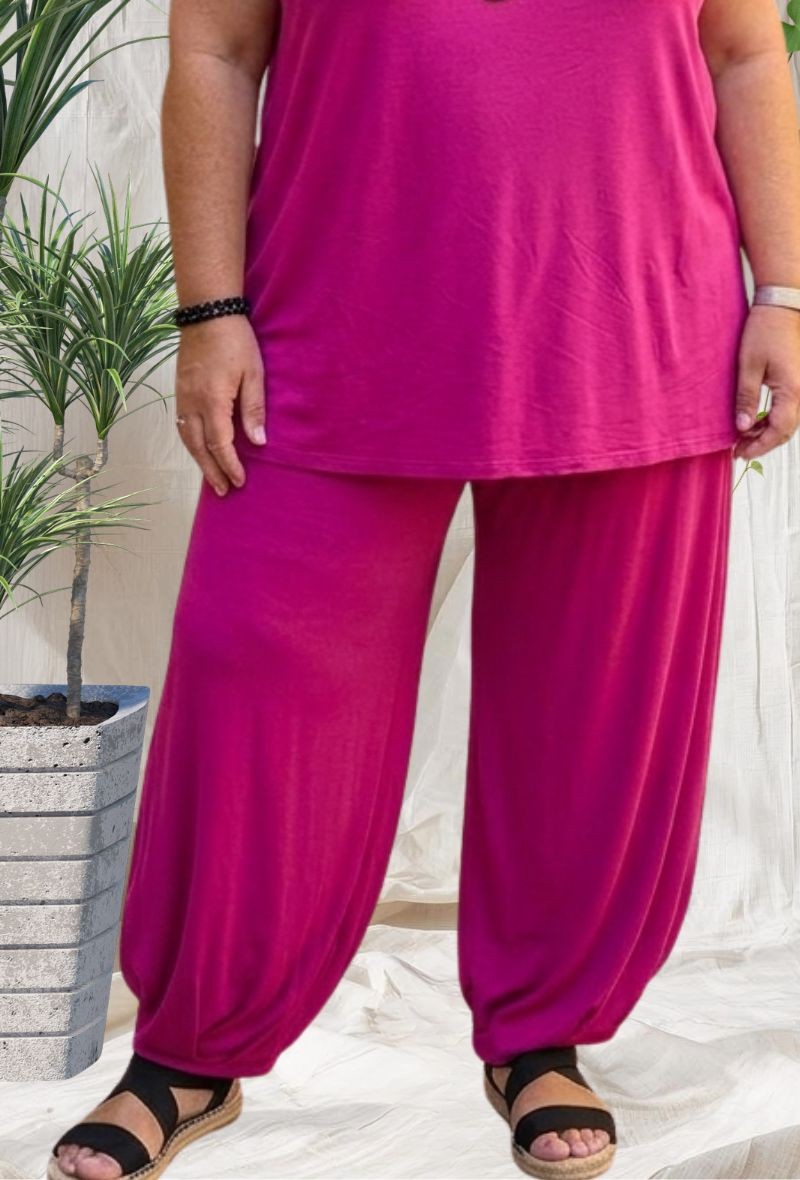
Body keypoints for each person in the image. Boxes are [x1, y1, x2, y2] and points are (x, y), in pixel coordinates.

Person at [48, 0, 800, 1178]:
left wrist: (783, 293)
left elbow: (743, 50)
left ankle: (541, 1033)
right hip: (332, 312)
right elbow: (217, 50)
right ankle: (190, 1050)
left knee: (588, 702)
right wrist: (209, 310)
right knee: (257, 669)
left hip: (635, 314)